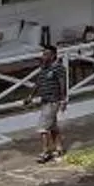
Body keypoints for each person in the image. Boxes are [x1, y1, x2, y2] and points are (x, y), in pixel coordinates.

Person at [33, 35, 69, 163]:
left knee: (43, 128)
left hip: (53, 102)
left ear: (53, 56)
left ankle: (45, 152)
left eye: (46, 54)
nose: (44, 56)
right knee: (53, 126)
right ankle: (59, 148)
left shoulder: (58, 68)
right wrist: (30, 96)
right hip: (45, 101)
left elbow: (62, 84)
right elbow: (38, 83)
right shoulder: (44, 68)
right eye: (43, 54)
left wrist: (63, 100)